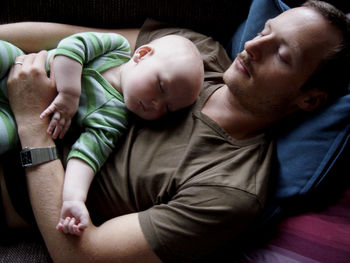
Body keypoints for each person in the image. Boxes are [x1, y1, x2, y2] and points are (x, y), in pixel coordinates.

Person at [1, 0, 349, 262]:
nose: (252, 47)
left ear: (309, 100)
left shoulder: (229, 189)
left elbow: (80, 256)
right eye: (265, 31)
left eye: (282, 55)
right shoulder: (195, 51)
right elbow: (77, 39)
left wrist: (32, 122)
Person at [0, 32, 204, 235]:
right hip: (19, 66)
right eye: (160, 86)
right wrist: (69, 93)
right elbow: (72, 46)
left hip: (12, 116)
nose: (156, 104)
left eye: (167, 107)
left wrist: (74, 199)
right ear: (142, 54)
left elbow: (86, 156)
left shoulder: (114, 120)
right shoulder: (116, 47)